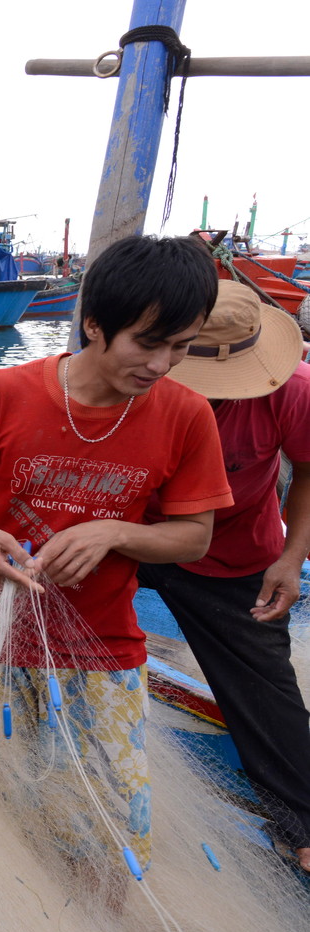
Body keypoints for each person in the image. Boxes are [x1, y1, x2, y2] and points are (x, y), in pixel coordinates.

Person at [0, 234, 231, 869]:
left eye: (181, 347)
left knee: (114, 837)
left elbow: (193, 535)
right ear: (93, 324)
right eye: (148, 342)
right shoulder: (2, 393)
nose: (163, 364)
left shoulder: (188, 416)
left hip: (103, 651)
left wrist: (114, 532)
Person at [144, 280, 310, 872]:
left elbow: (309, 469)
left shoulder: (292, 392)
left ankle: (303, 826)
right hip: (130, 534)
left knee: (265, 686)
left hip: (233, 552)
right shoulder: (137, 372)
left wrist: (291, 558)